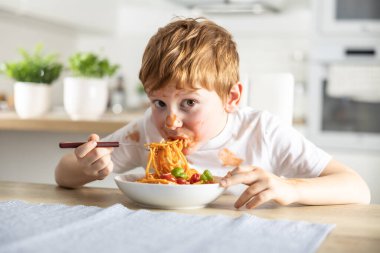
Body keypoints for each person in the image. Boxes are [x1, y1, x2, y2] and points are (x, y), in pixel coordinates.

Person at [55, 17, 370, 209]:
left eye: (189, 103)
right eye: (159, 103)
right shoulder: (145, 133)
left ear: (231, 98)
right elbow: (63, 176)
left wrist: (290, 188)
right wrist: (87, 168)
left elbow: (356, 188)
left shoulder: (262, 132)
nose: (170, 121)